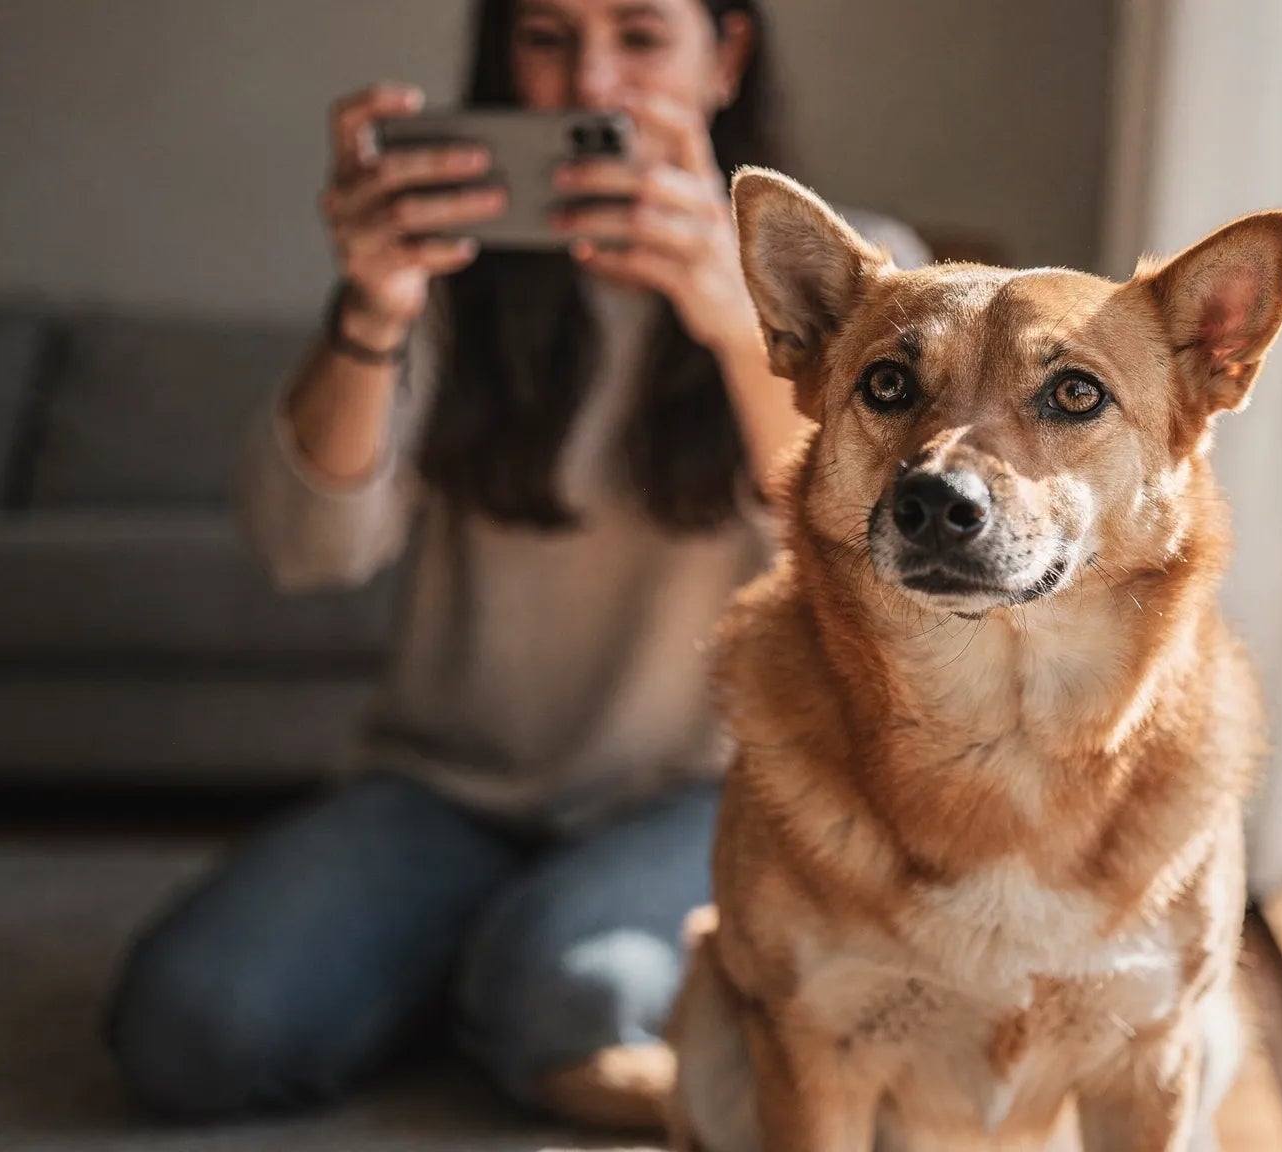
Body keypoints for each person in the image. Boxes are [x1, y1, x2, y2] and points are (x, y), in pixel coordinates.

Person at [103, 0, 925, 1128]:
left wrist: (740, 328)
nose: (588, 82)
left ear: (723, 57)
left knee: (572, 1000)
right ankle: (474, 954)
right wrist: (375, 305)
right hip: (445, 788)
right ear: (500, 62)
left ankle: (484, 963)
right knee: (187, 1032)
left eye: (638, 36)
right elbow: (307, 550)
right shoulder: (447, 266)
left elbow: (881, 566)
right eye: (546, 39)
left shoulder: (856, 277)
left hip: (705, 789)